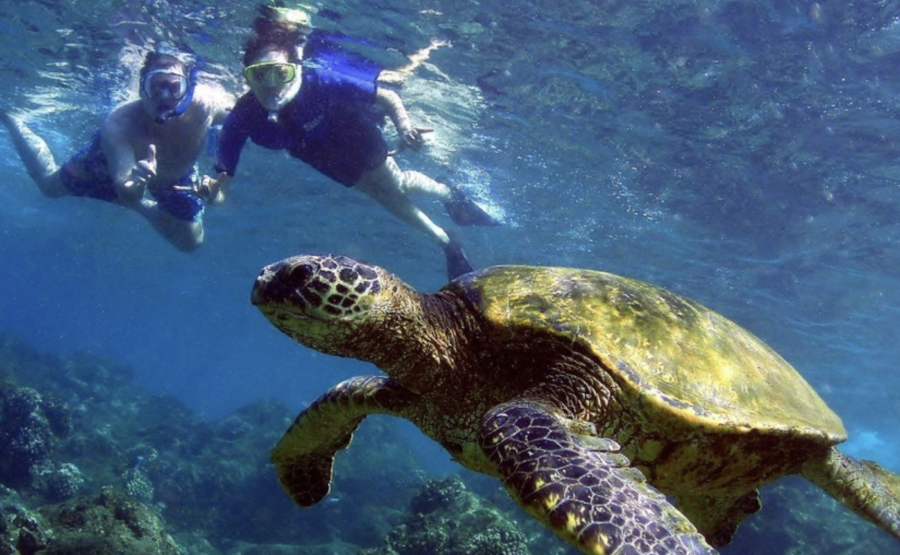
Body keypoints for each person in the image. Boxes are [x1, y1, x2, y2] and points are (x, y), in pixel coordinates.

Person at [205, 8, 499, 279]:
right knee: (380, 195)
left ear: (295, 67)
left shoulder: (318, 79)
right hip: (315, 152)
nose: (271, 84)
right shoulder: (242, 116)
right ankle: (446, 242)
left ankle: (449, 195)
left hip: (350, 128)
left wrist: (404, 127)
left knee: (396, 186)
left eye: (280, 72)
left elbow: (387, 95)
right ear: (248, 77)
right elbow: (222, 190)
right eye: (259, 74)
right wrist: (212, 194)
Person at [0, 51, 233, 251]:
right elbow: (126, 188)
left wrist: (216, 192)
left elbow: (245, 113)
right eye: (155, 86)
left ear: (187, 90)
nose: (164, 97)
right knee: (49, 186)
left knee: (190, 242)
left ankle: (142, 208)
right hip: (107, 164)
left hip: (176, 176)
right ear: (141, 89)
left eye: (174, 87)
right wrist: (138, 185)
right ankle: (11, 119)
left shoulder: (206, 105)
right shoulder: (119, 122)